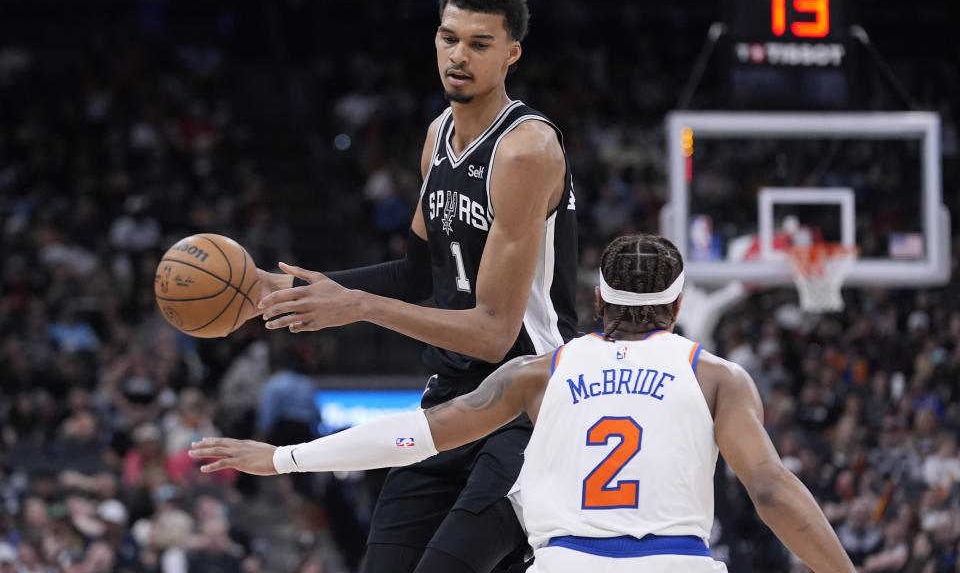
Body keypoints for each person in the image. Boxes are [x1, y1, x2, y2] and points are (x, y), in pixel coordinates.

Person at [192, 234, 856, 573]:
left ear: (597, 302)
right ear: (678, 307)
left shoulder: (540, 373)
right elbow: (769, 490)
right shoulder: (717, 378)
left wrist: (282, 457)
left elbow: (418, 435)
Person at [250, 0, 579, 573]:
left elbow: (493, 333)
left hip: (528, 398)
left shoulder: (525, 150)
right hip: (451, 395)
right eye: (449, 38)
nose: (459, 55)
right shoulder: (438, 136)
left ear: (512, 54)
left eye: (480, 44)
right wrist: (302, 288)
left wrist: (359, 307)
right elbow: (415, 273)